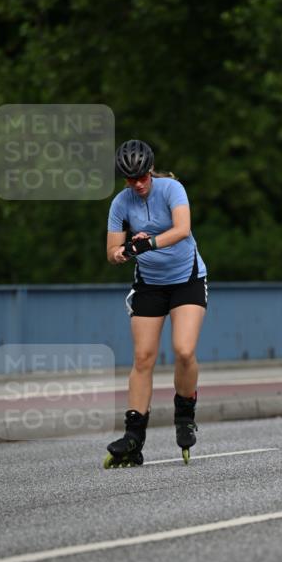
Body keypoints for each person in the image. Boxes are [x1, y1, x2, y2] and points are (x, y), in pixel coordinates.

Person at [103, 139, 208, 467]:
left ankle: (185, 414)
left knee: (184, 351)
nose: (138, 184)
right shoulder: (121, 203)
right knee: (143, 357)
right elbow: (111, 252)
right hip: (149, 284)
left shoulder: (171, 189)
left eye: (142, 177)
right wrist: (123, 253)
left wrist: (147, 243)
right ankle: (134, 436)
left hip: (186, 278)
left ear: (150, 170)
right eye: (130, 179)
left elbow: (182, 229)